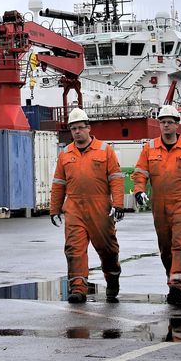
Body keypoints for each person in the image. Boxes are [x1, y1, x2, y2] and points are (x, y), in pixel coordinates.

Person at [131, 104, 181, 305]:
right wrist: (139, 191)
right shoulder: (149, 148)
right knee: (166, 248)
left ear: (177, 125)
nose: (166, 125)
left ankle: (179, 286)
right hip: (159, 207)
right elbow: (140, 173)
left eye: (170, 122)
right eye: (163, 122)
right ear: (159, 125)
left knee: (180, 244)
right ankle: (174, 278)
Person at [50, 107, 125, 304]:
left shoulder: (104, 150)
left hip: (100, 208)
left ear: (88, 128)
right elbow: (59, 183)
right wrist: (54, 208)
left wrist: (118, 204)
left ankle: (112, 278)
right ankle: (78, 288)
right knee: (74, 249)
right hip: (74, 207)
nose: (77, 132)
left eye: (80, 127)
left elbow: (116, 179)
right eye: (73, 128)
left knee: (108, 249)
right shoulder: (65, 154)